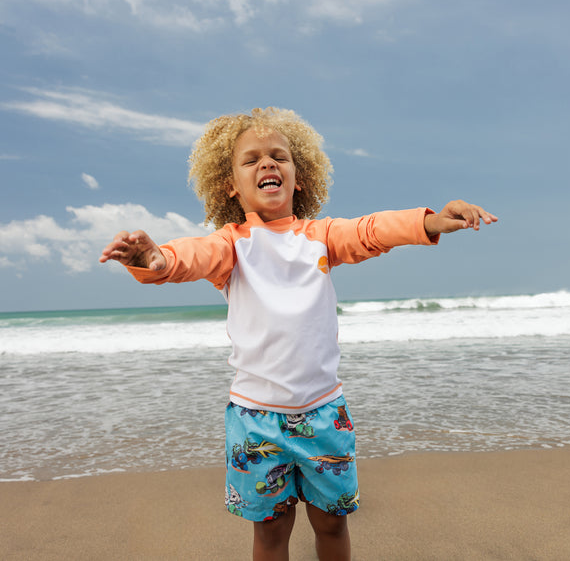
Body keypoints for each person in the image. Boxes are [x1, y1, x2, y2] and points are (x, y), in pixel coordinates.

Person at [99, 107, 497, 561]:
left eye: (278, 157)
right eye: (251, 160)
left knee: (331, 523)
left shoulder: (321, 236)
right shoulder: (231, 245)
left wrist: (428, 221)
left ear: (298, 176)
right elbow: (189, 256)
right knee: (271, 533)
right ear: (230, 184)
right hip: (254, 419)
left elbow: (371, 230)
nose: (267, 164)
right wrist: (155, 260)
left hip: (324, 413)